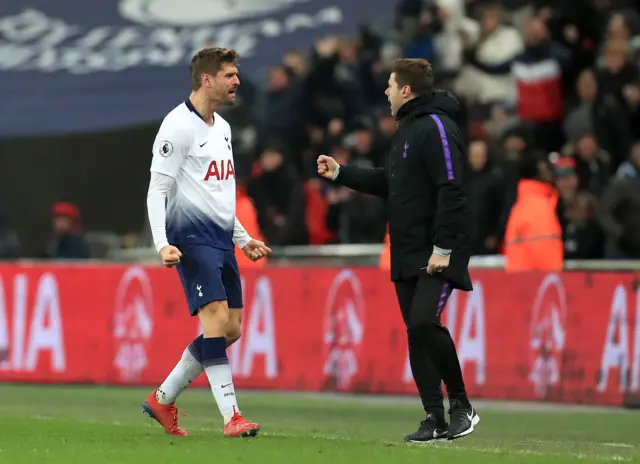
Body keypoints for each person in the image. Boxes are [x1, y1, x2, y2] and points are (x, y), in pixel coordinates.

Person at [317, 58, 478, 442]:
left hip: (434, 250)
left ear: (406, 90)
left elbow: (451, 188)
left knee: (424, 321)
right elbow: (388, 181)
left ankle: (462, 406)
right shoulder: (406, 131)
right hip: (405, 250)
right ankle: (433, 417)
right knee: (416, 332)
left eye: (390, 85)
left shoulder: (438, 126)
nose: (386, 92)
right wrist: (341, 173)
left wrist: (443, 247)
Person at [145, 47, 271, 438]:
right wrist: (161, 243)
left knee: (230, 329)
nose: (237, 81)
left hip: (221, 239)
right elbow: (157, 190)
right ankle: (232, 416)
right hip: (190, 238)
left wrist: (243, 238)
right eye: (230, 75)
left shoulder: (223, 128)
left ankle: (162, 399)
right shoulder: (176, 126)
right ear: (206, 79)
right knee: (215, 319)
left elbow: (218, 194)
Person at [504, 154, 564, 271]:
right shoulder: (538, 207)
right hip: (536, 281)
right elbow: (544, 249)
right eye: (547, 168)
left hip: (521, 277)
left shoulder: (522, 205)